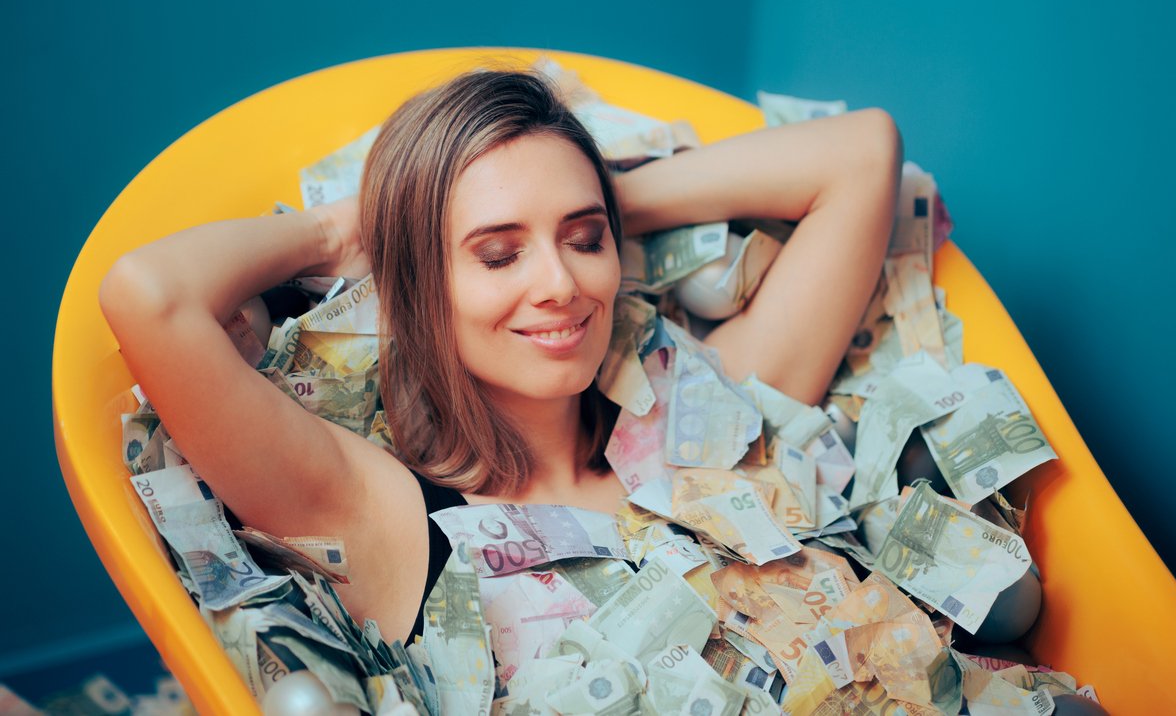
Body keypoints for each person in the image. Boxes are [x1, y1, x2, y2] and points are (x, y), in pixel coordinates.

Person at [99, 67, 901, 645]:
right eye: (497, 255)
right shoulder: (373, 512)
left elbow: (862, 153)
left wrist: (594, 195)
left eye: (585, 242)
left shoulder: (704, 419)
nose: (560, 283)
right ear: (413, 277)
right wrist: (347, 232)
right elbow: (148, 295)